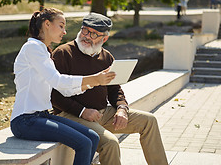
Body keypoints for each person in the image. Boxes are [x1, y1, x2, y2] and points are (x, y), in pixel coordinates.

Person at [51, 12, 168, 165]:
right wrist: (83, 111)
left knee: (149, 121)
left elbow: (115, 90)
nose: (86, 36)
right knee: (110, 143)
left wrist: (121, 109)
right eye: (85, 30)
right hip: (72, 115)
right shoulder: (63, 53)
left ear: (104, 38)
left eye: (93, 34)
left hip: (102, 114)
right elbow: (54, 94)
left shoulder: (106, 57)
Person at [10, 8, 116, 165]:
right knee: (84, 143)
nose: (64, 31)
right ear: (47, 24)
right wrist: (94, 79)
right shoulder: (32, 48)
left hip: (41, 116)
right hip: (25, 120)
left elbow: (64, 89)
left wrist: (96, 81)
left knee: (93, 137)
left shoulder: (44, 51)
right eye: (61, 26)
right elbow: (58, 81)